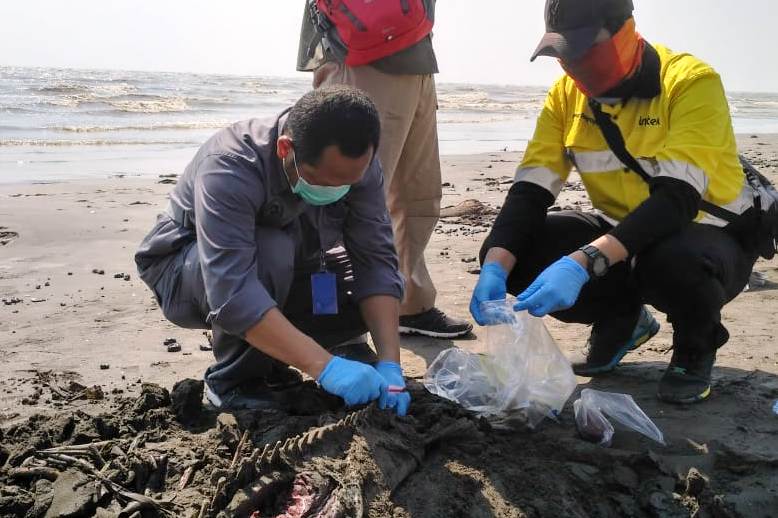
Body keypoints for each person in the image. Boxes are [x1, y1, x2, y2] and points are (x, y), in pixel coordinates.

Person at [470, 0, 760, 404]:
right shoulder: (566, 96)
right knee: (517, 250)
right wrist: (494, 268)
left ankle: (694, 348)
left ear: (625, 32)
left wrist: (582, 262)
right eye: (563, 52)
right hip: (619, 230)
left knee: (672, 260)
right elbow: (531, 190)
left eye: (586, 48)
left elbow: (676, 199)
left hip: (705, 239)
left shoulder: (692, 82)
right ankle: (623, 320)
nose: (574, 64)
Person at [135, 86, 410, 415]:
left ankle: (323, 351)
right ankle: (234, 382)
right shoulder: (230, 164)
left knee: (357, 275)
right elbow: (232, 291)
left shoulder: (358, 167)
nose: (338, 191)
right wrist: (325, 368)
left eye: (348, 183)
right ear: (285, 150)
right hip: (187, 271)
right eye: (326, 182)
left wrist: (392, 367)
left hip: (293, 264)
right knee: (271, 252)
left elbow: (376, 262)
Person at [297, 0, 473, 339]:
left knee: (417, 195)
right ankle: (339, 321)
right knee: (345, 192)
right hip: (361, 51)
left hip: (414, 51)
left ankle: (409, 304)